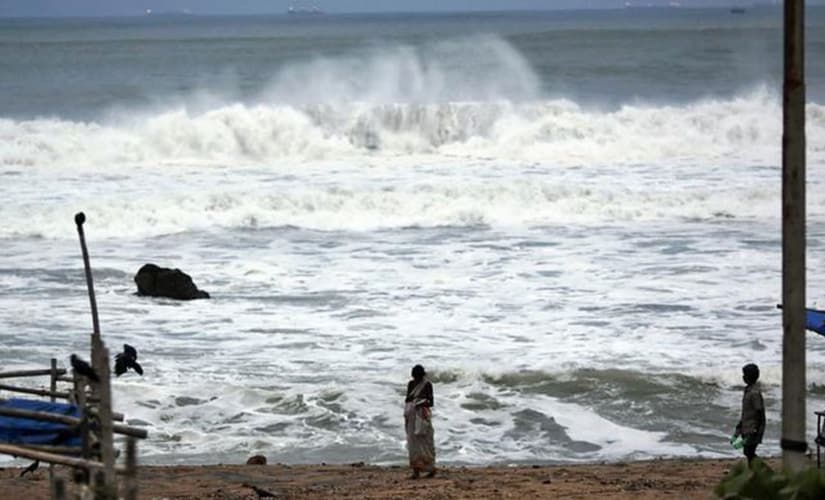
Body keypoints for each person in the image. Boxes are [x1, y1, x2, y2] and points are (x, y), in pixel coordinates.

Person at [404, 364, 435, 479]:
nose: (416, 378)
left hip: (422, 416)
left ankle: (430, 469)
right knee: (413, 444)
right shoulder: (411, 384)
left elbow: (431, 402)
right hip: (412, 416)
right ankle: (416, 471)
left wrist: (420, 402)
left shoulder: (427, 384)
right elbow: (407, 399)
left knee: (425, 443)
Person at [733, 363, 766, 466]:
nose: (743, 377)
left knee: (748, 452)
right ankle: (755, 471)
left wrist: (756, 430)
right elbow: (746, 413)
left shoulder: (754, 393)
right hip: (747, 427)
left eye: (744, 375)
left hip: (753, 429)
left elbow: (759, 412)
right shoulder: (748, 391)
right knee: (748, 452)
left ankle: (762, 470)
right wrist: (738, 429)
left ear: (747, 377)